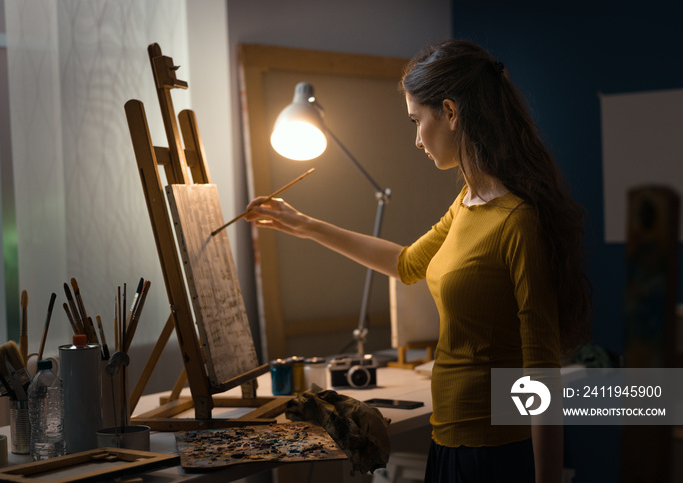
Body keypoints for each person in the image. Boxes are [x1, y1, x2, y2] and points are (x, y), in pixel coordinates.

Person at [245, 39, 591, 483]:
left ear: (450, 112)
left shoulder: (517, 221)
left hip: (493, 452)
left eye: (416, 120)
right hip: (448, 440)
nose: (415, 139)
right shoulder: (468, 203)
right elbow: (407, 263)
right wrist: (306, 225)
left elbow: (542, 373)